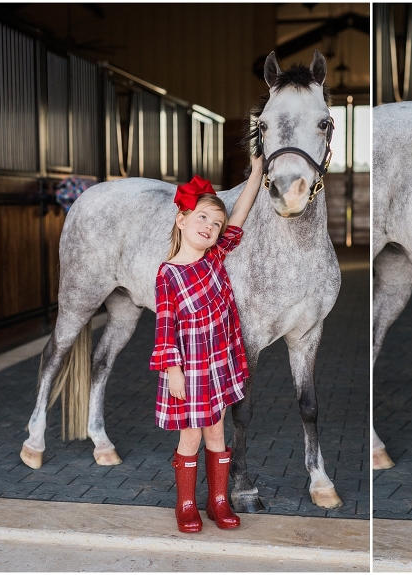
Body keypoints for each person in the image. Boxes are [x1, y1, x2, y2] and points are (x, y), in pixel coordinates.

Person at [150, 157, 264, 533]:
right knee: (192, 435)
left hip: (218, 365)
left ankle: (218, 501)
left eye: (216, 224)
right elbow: (165, 328)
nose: (211, 227)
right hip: (189, 369)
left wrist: (256, 173)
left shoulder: (215, 257)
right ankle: (186, 504)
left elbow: (240, 213)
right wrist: (172, 370)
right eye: (202, 218)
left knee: (217, 432)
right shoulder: (169, 274)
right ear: (181, 220)